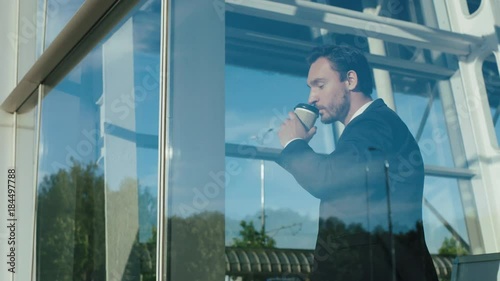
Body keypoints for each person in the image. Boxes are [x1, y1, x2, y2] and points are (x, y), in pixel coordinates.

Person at [277, 45, 438, 281]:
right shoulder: (368, 129)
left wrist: (293, 144)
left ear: (350, 80)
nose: (312, 97)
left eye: (320, 85)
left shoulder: (374, 125)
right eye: (310, 88)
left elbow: (326, 178)